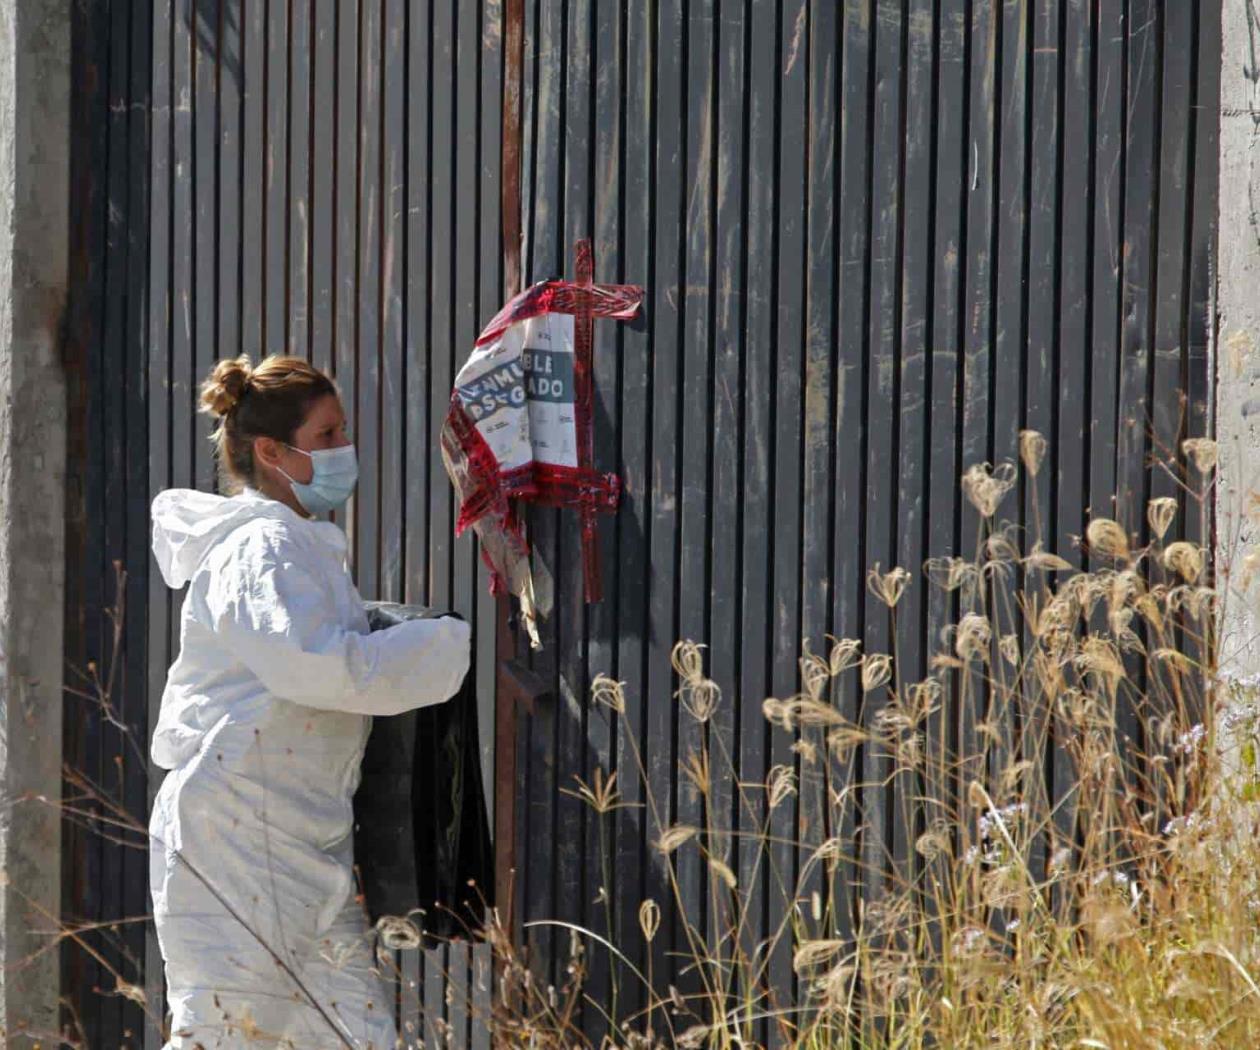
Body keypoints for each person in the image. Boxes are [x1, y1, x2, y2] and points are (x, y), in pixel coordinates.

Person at [147, 354, 471, 1048]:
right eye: (327, 436)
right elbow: (317, 668)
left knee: (355, 1036)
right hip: (232, 842)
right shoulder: (260, 548)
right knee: (227, 1035)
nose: (343, 448)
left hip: (299, 841)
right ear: (270, 452)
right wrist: (447, 647)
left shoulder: (298, 544)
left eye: (342, 430)